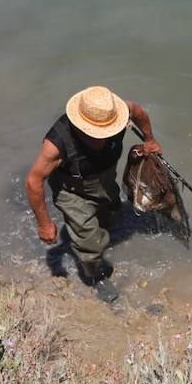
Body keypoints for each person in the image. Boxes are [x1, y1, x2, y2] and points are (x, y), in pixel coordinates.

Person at [25, 85, 160, 302]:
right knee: (90, 241)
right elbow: (33, 181)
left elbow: (138, 112)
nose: (101, 138)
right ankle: (95, 274)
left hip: (105, 177)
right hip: (72, 190)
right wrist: (44, 223)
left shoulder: (122, 111)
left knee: (113, 217)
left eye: (106, 132)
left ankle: (91, 231)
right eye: (94, 134)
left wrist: (150, 140)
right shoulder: (56, 144)